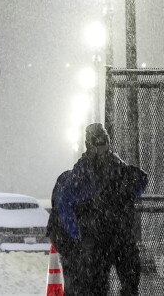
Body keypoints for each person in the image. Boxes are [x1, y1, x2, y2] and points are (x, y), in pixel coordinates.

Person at [54, 123, 149, 296]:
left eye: (103, 142)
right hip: (103, 237)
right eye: (97, 143)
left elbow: (140, 179)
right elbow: (67, 202)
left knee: (123, 280)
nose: (101, 148)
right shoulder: (88, 171)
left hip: (109, 236)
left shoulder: (110, 168)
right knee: (104, 283)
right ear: (90, 145)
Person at [46, 168, 85, 296]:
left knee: (71, 275)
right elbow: (66, 214)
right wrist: (78, 237)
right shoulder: (77, 187)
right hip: (67, 237)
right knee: (77, 275)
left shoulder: (65, 181)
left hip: (60, 234)